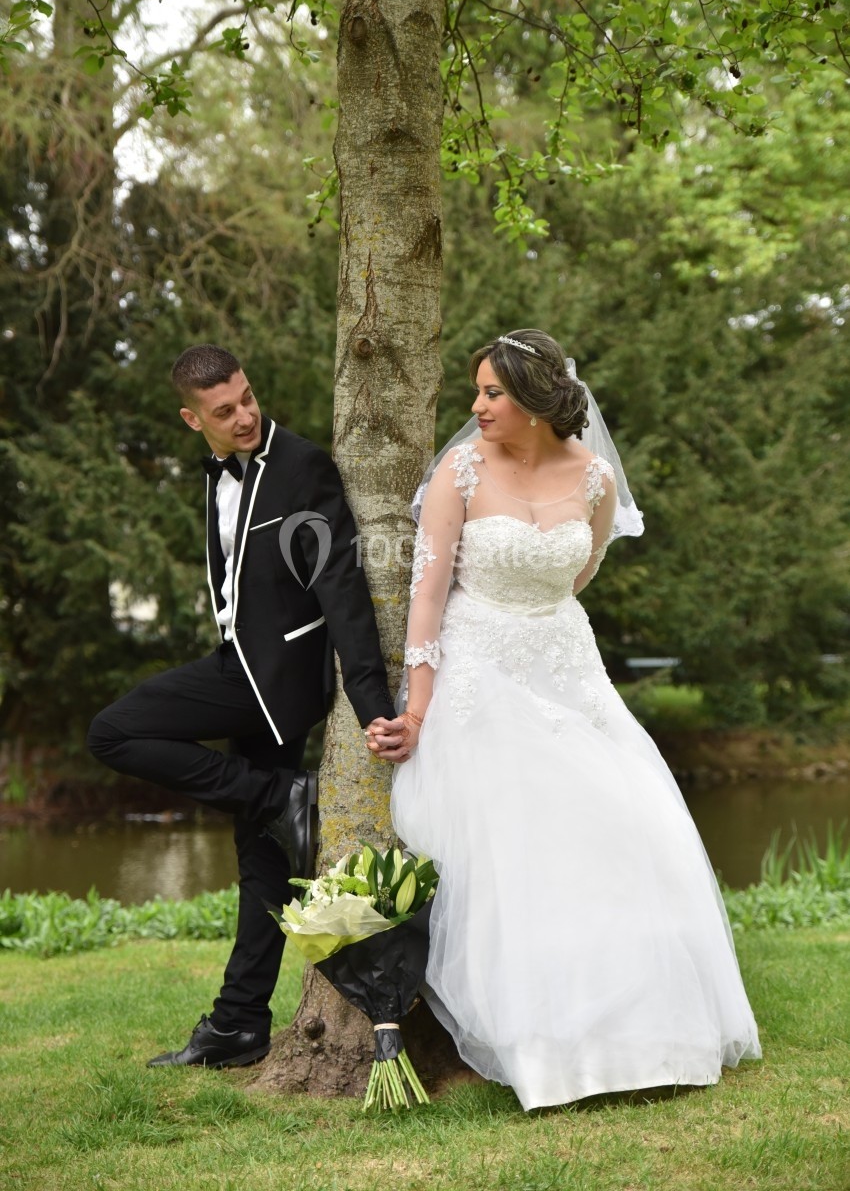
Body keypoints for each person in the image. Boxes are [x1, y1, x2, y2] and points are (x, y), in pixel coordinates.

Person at [370, 329, 761, 1111]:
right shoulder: (460, 470)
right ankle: (545, 1050)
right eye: (476, 391)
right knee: (519, 848)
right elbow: (427, 592)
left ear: (538, 401)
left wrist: (543, 624)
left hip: (569, 670)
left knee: (620, 828)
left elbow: (580, 571)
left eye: (492, 393)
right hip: (480, 669)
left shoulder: (594, 477)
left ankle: (647, 1034)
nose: (476, 407)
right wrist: (418, 707)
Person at [88, 344, 406, 1068]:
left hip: (273, 681)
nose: (244, 416)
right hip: (243, 669)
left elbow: (343, 591)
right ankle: (239, 1023)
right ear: (191, 417)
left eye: (247, 398)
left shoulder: (301, 466)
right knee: (263, 863)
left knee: (114, 731)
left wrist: (371, 704)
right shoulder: (221, 476)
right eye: (224, 410)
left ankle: (280, 792)